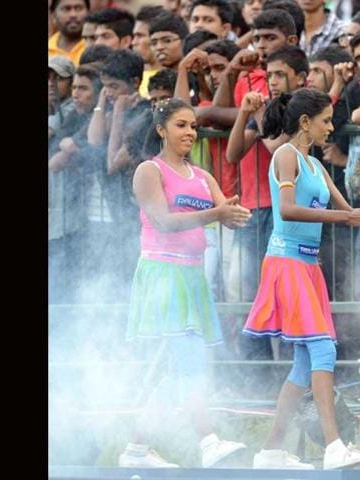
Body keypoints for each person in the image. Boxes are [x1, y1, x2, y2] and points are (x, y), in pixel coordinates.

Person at [243, 88, 360, 469]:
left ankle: (271, 451)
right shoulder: (285, 155)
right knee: (323, 350)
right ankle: (334, 446)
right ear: (304, 122)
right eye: (326, 120)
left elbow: (350, 210)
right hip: (287, 264)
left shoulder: (315, 164)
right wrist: (349, 217)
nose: (332, 127)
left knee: (303, 364)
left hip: (308, 268)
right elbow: (288, 209)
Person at [117, 98, 252, 468]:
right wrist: (217, 212)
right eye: (181, 125)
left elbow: (227, 213)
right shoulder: (149, 170)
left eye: (193, 125)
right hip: (163, 273)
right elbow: (162, 221)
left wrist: (235, 214)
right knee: (188, 360)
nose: (190, 132)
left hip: (192, 274)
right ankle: (208, 441)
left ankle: (135, 451)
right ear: (162, 129)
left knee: (172, 366)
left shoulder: (202, 175)